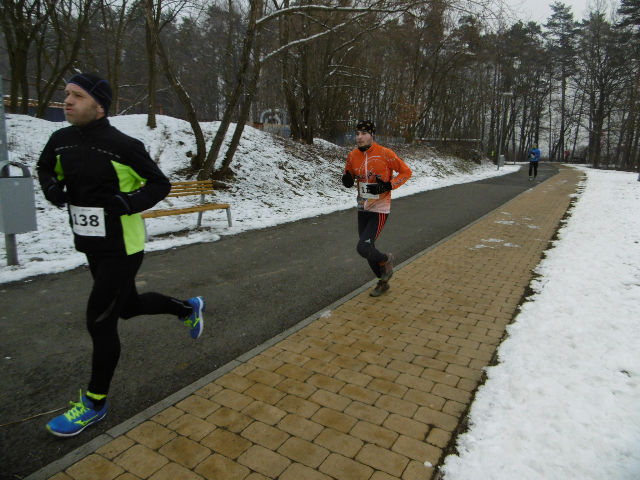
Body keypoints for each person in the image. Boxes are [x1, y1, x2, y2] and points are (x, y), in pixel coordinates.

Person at [37, 72, 205, 438]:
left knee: (100, 320)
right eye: (66, 94)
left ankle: (96, 403)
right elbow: (45, 167)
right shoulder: (60, 140)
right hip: (90, 244)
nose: (67, 101)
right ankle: (187, 308)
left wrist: (128, 202)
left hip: (123, 248)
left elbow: (159, 183)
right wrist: (51, 188)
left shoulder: (122, 145)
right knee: (126, 306)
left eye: (77, 96)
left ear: (98, 105)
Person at [342, 120, 412, 297]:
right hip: (362, 207)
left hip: (380, 208)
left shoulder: (385, 153)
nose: (359, 137)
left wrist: (389, 185)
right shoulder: (352, 155)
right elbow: (348, 174)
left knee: (363, 247)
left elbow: (406, 172)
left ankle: (386, 259)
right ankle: (383, 282)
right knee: (367, 249)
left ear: (372, 135)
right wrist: (347, 180)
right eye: (357, 133)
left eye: (364, 133)